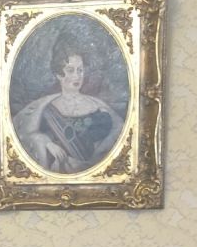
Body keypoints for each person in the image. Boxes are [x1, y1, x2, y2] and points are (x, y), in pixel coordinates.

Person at [11, 35, 124, 174]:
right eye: (70, 70)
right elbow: (25, 134)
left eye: (80, 70)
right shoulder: (46, 109)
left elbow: (118, 137)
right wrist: (47, 144)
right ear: (59, 74)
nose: (77, 76)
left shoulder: (98, 107)